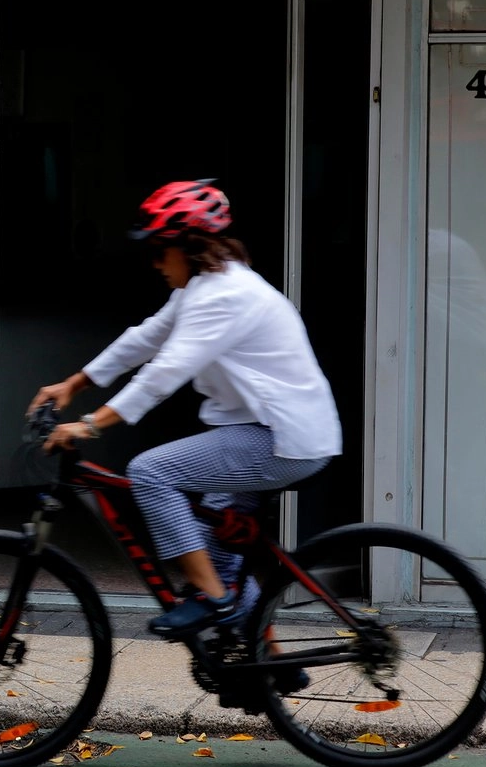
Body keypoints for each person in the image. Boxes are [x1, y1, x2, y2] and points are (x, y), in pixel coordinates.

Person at [28, 179, 342, 642]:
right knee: (218, 558)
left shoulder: (224, 296)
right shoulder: (204, 288)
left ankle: (211, 601)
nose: (154, 263)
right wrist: (74, 383)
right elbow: (145, 338)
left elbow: (164, 373)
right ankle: (270, 667)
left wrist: (90, 425)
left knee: (152, 471)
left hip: (280, 439)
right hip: (265, 432)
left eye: (160, 250)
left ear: (189, 247)